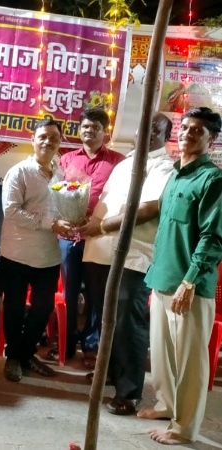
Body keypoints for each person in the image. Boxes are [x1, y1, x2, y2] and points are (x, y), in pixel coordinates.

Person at [79, 114, 174, 414]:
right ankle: (110, 372)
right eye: (143, 127)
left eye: (156, 130)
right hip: (99, 252)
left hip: (133, 256)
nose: (147, 133)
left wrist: (101, 227)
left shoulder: (164, 167)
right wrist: (87, 225)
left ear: (165, 137)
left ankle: (129, 392)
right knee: (105, 318)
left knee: (128, 323)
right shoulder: (124, 163)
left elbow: (147, 208)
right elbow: (107, 202)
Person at [140, 107, 222, 445]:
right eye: (185, 127)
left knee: (189, 361)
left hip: (190, 285)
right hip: (163, 277)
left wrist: (190, 281)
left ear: (211, 140)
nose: (187, 133)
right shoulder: (176, 174)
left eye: (197, 130)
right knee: (162, 355)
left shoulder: (212, 180)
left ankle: (183, 427)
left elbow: (213, 237)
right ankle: (166, 406)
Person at [49, 108, 125, 367]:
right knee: (68, 292)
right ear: (79, 130)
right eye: (85, 127)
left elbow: (121, 197)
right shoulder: (67, 159)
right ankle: (66, 343)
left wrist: (97, 222)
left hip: (101, 238)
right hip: (70, 237)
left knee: (96, 295)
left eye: (95, 127)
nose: (89, 131)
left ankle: (92, 345)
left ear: (105, 132)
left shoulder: (118, 162)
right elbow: (56, 192)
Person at [0, 119, 70, 381]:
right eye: (43, 137)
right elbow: (11, 211)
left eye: (54, 138)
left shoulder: (61, 174)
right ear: (33, 140)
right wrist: (51, 224)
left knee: (43, 308)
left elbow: (62, 208)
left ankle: (26, 353)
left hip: (48, 255)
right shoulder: (19, 172)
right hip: (17, 253)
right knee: (14, 308)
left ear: (59, 142)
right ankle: (14, 358)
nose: (48, 142)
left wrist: (72, 221)